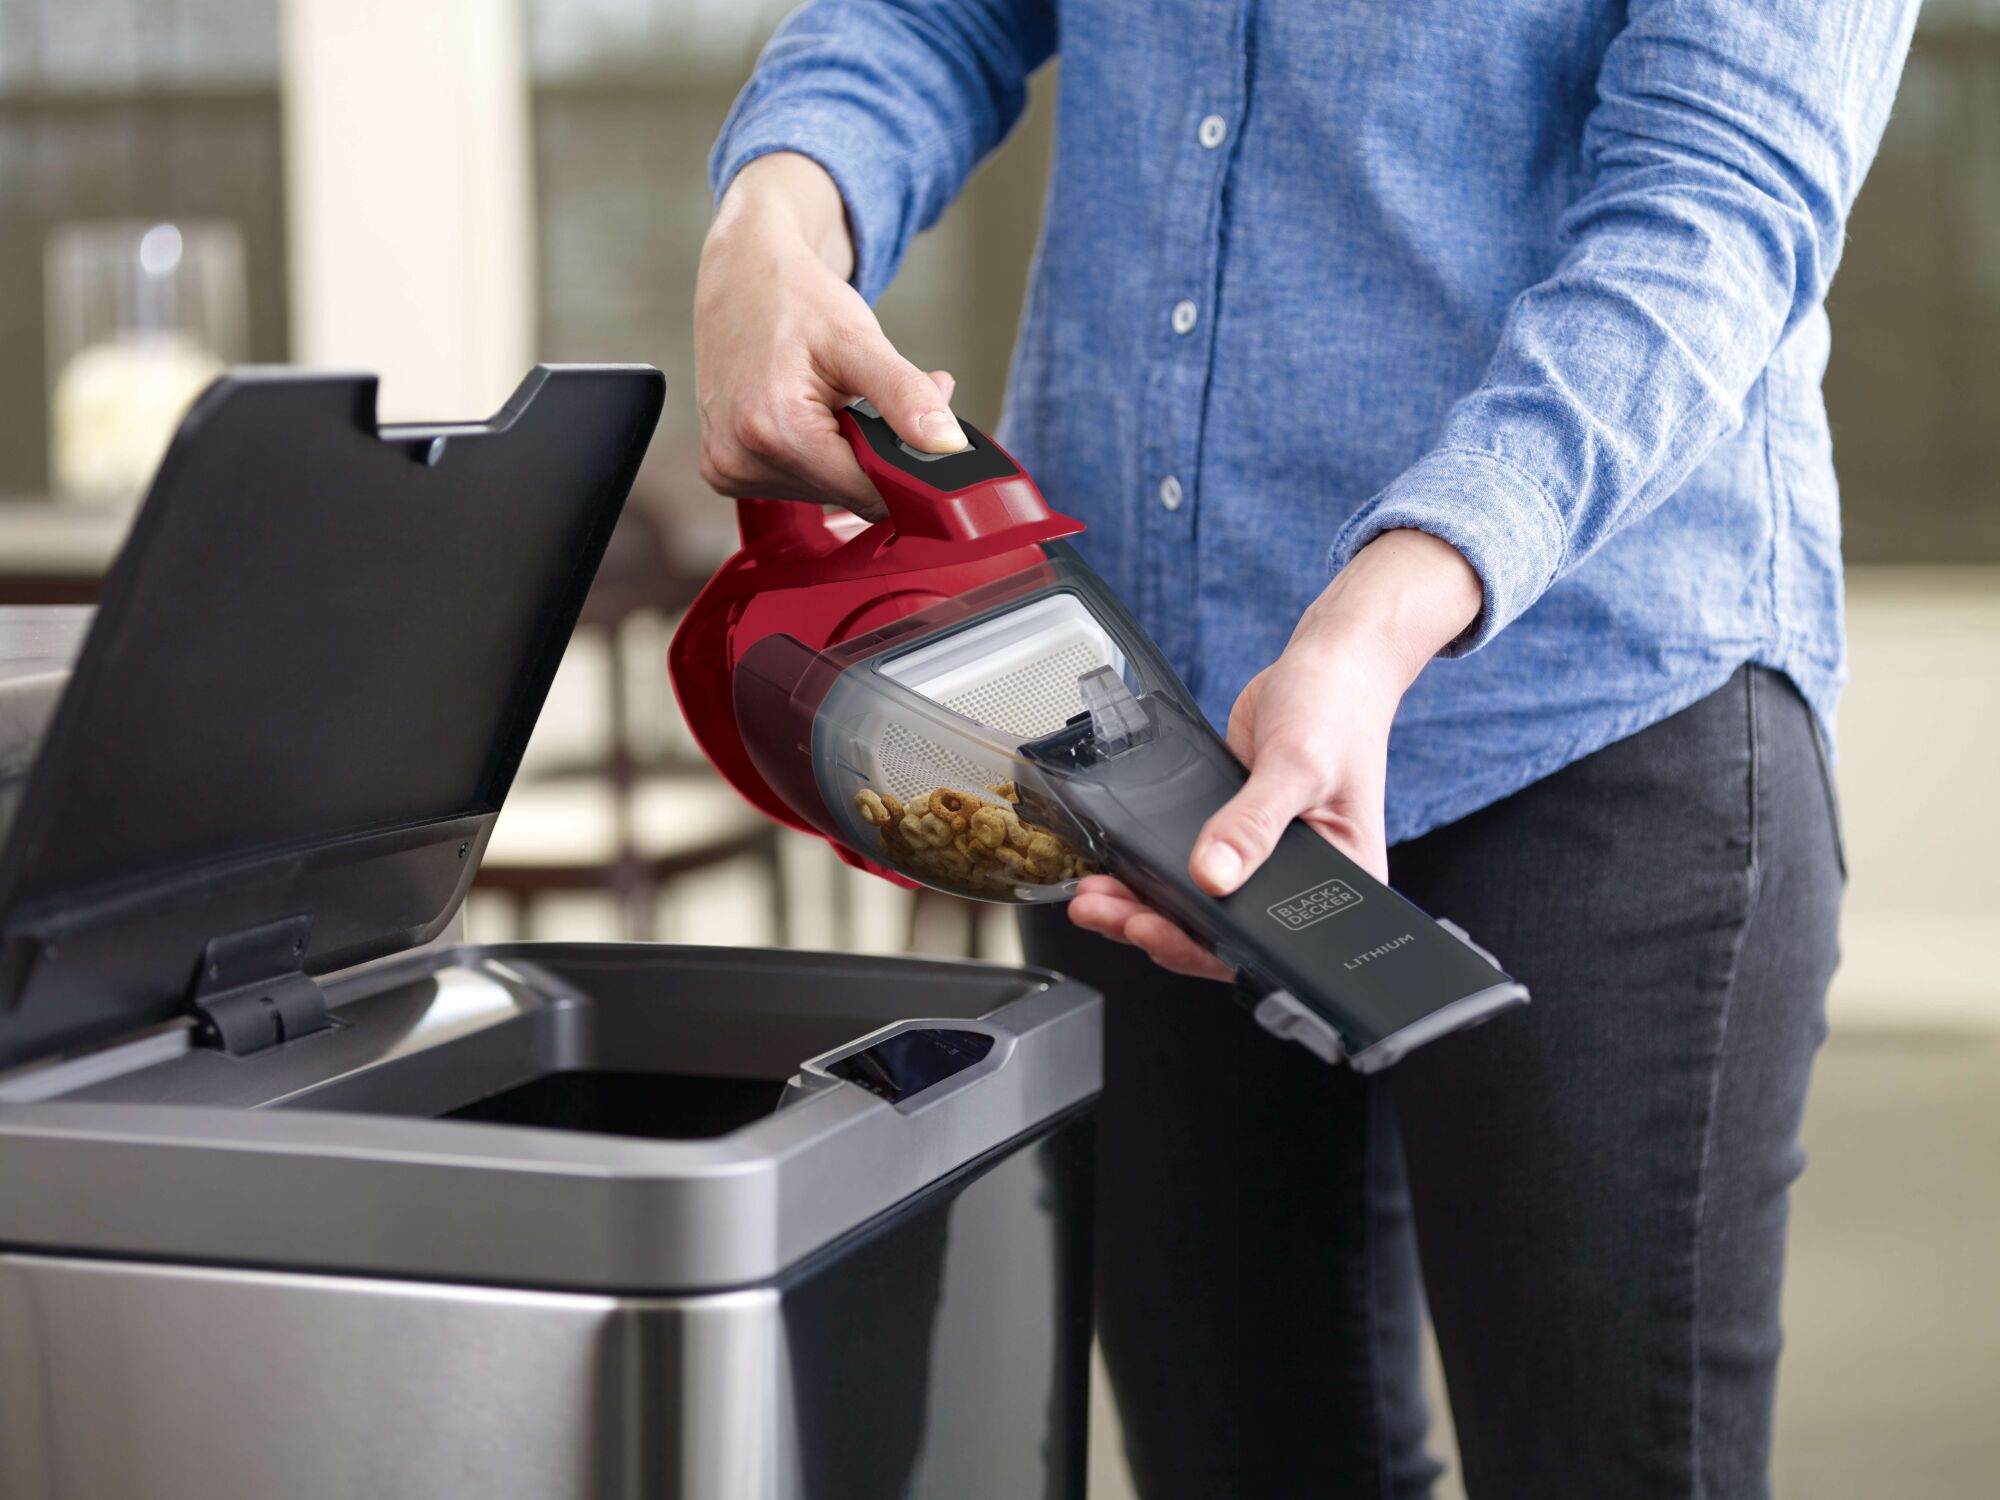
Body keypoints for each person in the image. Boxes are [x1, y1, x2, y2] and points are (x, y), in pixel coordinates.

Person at [693, 2, 1916, 1493]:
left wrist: (1380, 618)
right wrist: (773, 217)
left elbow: (1720, 203)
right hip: (1131, 722)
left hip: (1594, 710)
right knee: (1233, 1455)